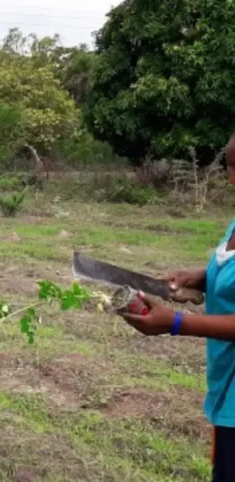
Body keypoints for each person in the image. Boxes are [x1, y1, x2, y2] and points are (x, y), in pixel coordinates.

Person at [119, 133, 235, 482]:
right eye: (230, 168)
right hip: (224, 389)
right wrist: (197, 278)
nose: (231, 180)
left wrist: (176, 323)